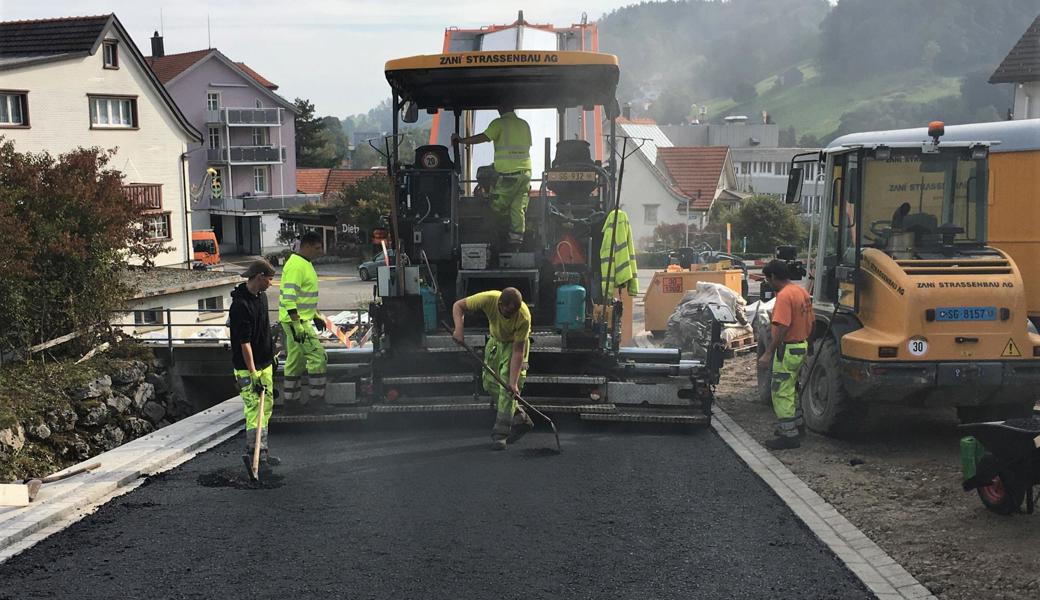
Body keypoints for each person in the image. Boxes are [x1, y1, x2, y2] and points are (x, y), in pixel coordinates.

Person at [452, 287, 534, 450]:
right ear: (500, 304)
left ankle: (501, 435)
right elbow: (458, 306)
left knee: (507, 389)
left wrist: (513, 382)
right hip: (495, 342)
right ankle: (520, 418)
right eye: (507, 312)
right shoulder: (488, 298)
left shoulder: (523, 316)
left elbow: (518, 351)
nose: (510, 316)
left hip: (514, 346)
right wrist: (459, 329)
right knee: (489, 383)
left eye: (513, 313)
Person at [452, 107, 532, 248]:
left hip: (508, 175)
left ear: (500, 110)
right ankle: (516, 244)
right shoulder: (524, 124)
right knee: (517, 208)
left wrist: (462, 140)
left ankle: (494, 241)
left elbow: (483, 137)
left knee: (495, 207)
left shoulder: (499, 123)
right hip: (526, 174)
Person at [228, 259, 279, 474]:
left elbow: (263, 330)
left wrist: (271, 354)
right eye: (269, 279)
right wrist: (253, 373)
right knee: (253, 409)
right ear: (259, 277)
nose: (270, 283)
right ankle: (253, 452)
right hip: (248, 367)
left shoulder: (262, 298)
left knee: (265, 407)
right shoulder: (240, 306)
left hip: (265, 362)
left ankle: (263, 450)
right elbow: (244, 343)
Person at [757, 259, 814, 450]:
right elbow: (810, 320)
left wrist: (769, 351)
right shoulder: (801, 292)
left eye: (768, 278)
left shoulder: (784, 296)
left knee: (781, 391)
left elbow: (782, 325)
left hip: (788, 349)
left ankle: (789, 435)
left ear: (773, 276)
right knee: (791, 388)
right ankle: (797, 425)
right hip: (801, 346)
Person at [279, 230, 328, 409]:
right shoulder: (297, 266)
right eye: (317, 248)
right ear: (306, 246)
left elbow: (303, 297)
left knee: (295, 361)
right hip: (297, 321)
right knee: (318, 357)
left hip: (297, 319)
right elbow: (289, 296)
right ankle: (317, 400)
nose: (320, 251)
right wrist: (296, 323)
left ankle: (291, 402)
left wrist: (315, 316)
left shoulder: (303, 264)